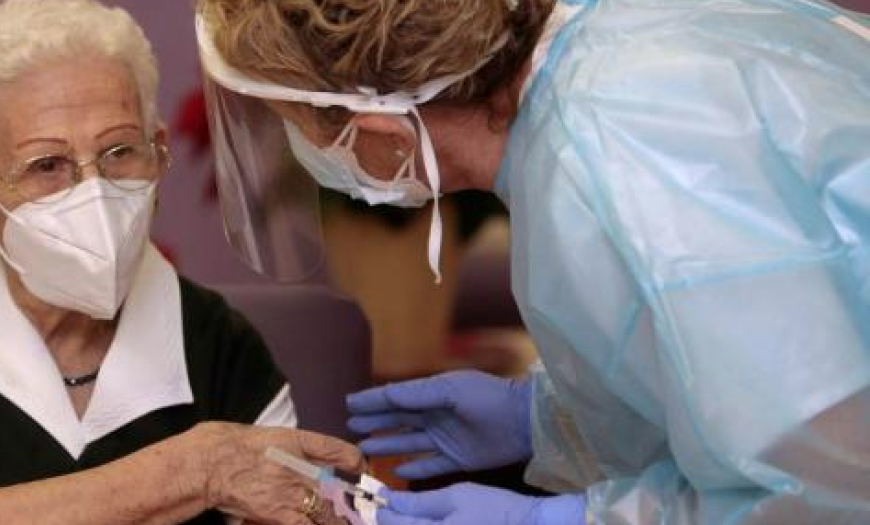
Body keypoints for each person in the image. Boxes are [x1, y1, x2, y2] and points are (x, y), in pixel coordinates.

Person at [193, 0, 870, 523]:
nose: (303, 149)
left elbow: (827, 483)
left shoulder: (610, 162)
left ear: (378, 129)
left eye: (295, 122)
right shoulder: (609, 52)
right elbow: (766, 359)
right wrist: (544, 417)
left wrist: (574, 517)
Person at [0, 1, 364, 525]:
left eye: (120, 152)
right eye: (46, 164)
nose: (93, 193)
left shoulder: (222, 344)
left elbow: (308, 507)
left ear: (158, 152)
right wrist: (197, 470)